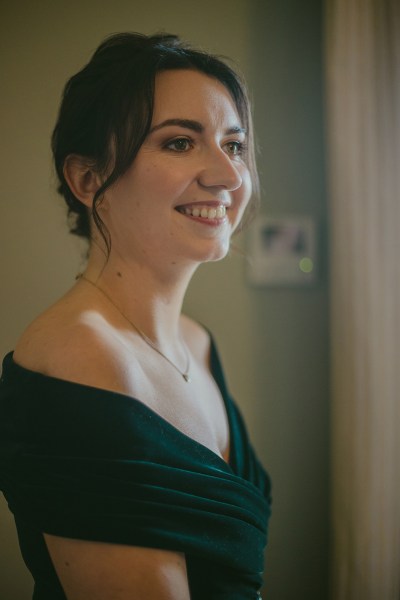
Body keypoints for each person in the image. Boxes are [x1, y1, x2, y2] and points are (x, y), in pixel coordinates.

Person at [0, 32, 271, 600]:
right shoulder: (78, 355)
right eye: (179, 143)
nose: (227, 176)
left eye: (234, 144)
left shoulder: (197, 341)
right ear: (87, 179)